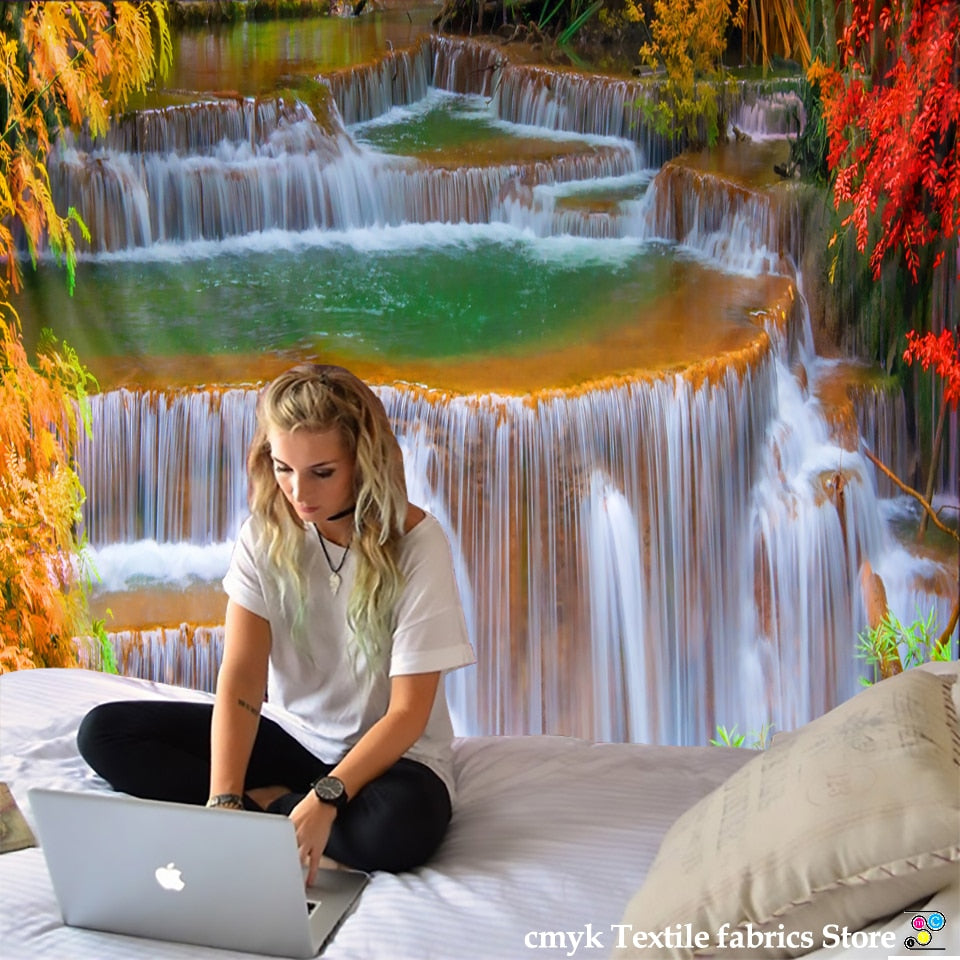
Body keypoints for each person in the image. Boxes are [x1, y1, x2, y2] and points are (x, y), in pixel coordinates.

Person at [78, 363, 475, 879]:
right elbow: (242, 677)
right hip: (297, 741)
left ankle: (272, 806)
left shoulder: (420, 544)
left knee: (397, 831)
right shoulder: (264, 535)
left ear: (364, 460)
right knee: (105, 734)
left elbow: (407, 715)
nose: (297, 491)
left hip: (393, 762)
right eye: (283, 467)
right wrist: (222, 799)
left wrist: (327, 797)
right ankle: (264, 807)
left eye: (322, 472)